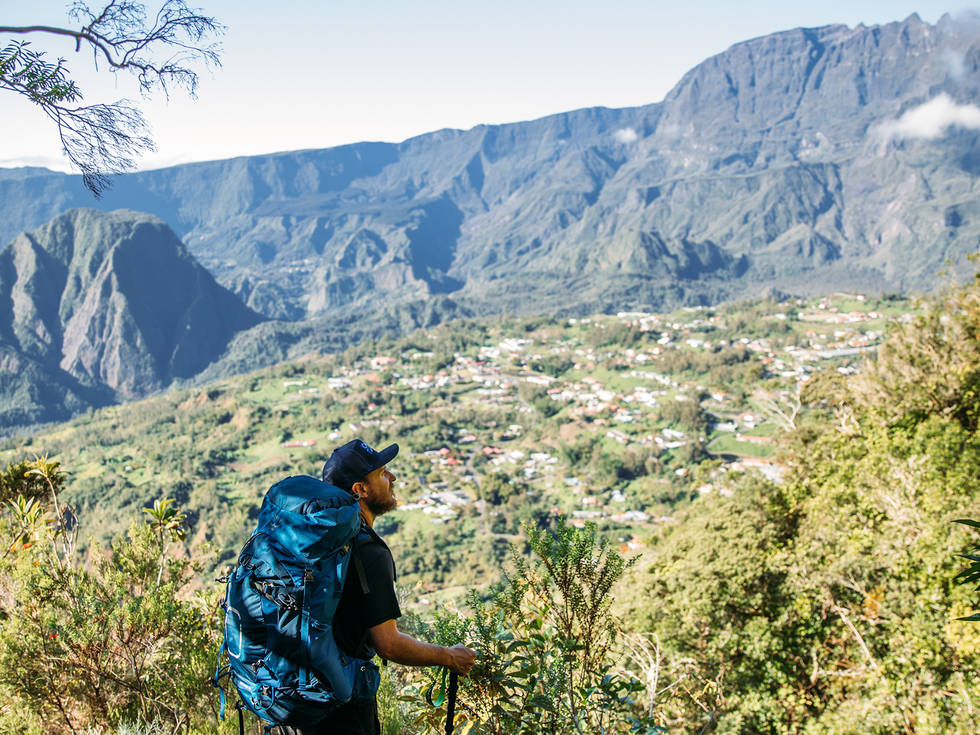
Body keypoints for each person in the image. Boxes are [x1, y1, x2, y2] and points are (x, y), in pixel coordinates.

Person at [279, 438, 476, 735]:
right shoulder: (369, 552)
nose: (392, 478)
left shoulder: (311, 539)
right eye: (383, 473)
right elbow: (388, 644)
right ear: (360, 489)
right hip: (339, 711)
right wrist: (449, 656)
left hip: (294, 701)